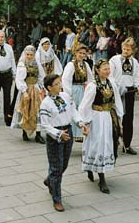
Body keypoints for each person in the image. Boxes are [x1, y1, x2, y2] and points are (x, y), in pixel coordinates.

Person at [40, 74, 88, 212]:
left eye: (59, 83)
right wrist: (58, 134)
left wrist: (80, 123)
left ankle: (50, 180)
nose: (59, 85)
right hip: (56, 136)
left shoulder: (66, 96)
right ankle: (57, 199)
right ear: (49, 87)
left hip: (69, 131)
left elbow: (73, 111)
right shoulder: (46, 103)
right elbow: (46, 125)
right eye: (56, 84)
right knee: (56, 167)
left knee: (64, 164)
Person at [79, 59, 123, 194]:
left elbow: (117, 101)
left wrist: (120, 119)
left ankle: (99, 172)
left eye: (108, 68)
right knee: (96, 144)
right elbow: (84, 105)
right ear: (97, 70)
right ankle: (99, 176)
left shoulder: (111, 83)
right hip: (97, 118)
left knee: (107, 144)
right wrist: (85, 122)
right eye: (104, 69)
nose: (108, 71)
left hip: (108, 117)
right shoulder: (93, 86)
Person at [109, 37, 139, 155]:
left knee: (128, 119)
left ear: (133, 51)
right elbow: (110, 75)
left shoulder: (135, 62)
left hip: (129, 92)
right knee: (114, 118)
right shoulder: (114, 60)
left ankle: (127, 145)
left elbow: (137, 76)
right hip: (116, 91)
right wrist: (114, 88)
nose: (125, 51)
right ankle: (112, 142)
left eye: (128, 50)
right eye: (124, 49)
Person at [11, 45, 45, 142]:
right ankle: (24, 132)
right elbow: (19, 79)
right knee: (26, 110)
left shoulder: (37, 63)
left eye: (31, 55)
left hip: (35, 88)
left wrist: (42, 88)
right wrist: (24, 91)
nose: (29, 56)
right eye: (27, 54)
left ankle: (38, 134)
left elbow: (41, 76)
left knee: (37, 111)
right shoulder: (22, 64)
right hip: (26, 89)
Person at [62, 44, 94, 142]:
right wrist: (68, 94)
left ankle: (82, 133)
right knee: (73, 110)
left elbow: (90, 78)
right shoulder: (71, 65)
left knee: (83, 110)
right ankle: (72, 134)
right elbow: (66, 79)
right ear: (75, 53)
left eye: (84, 53)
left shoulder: (86, 65)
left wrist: (89, 89)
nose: (82, 55)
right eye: (80, 53)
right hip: (74, 89)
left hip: (83, 90)